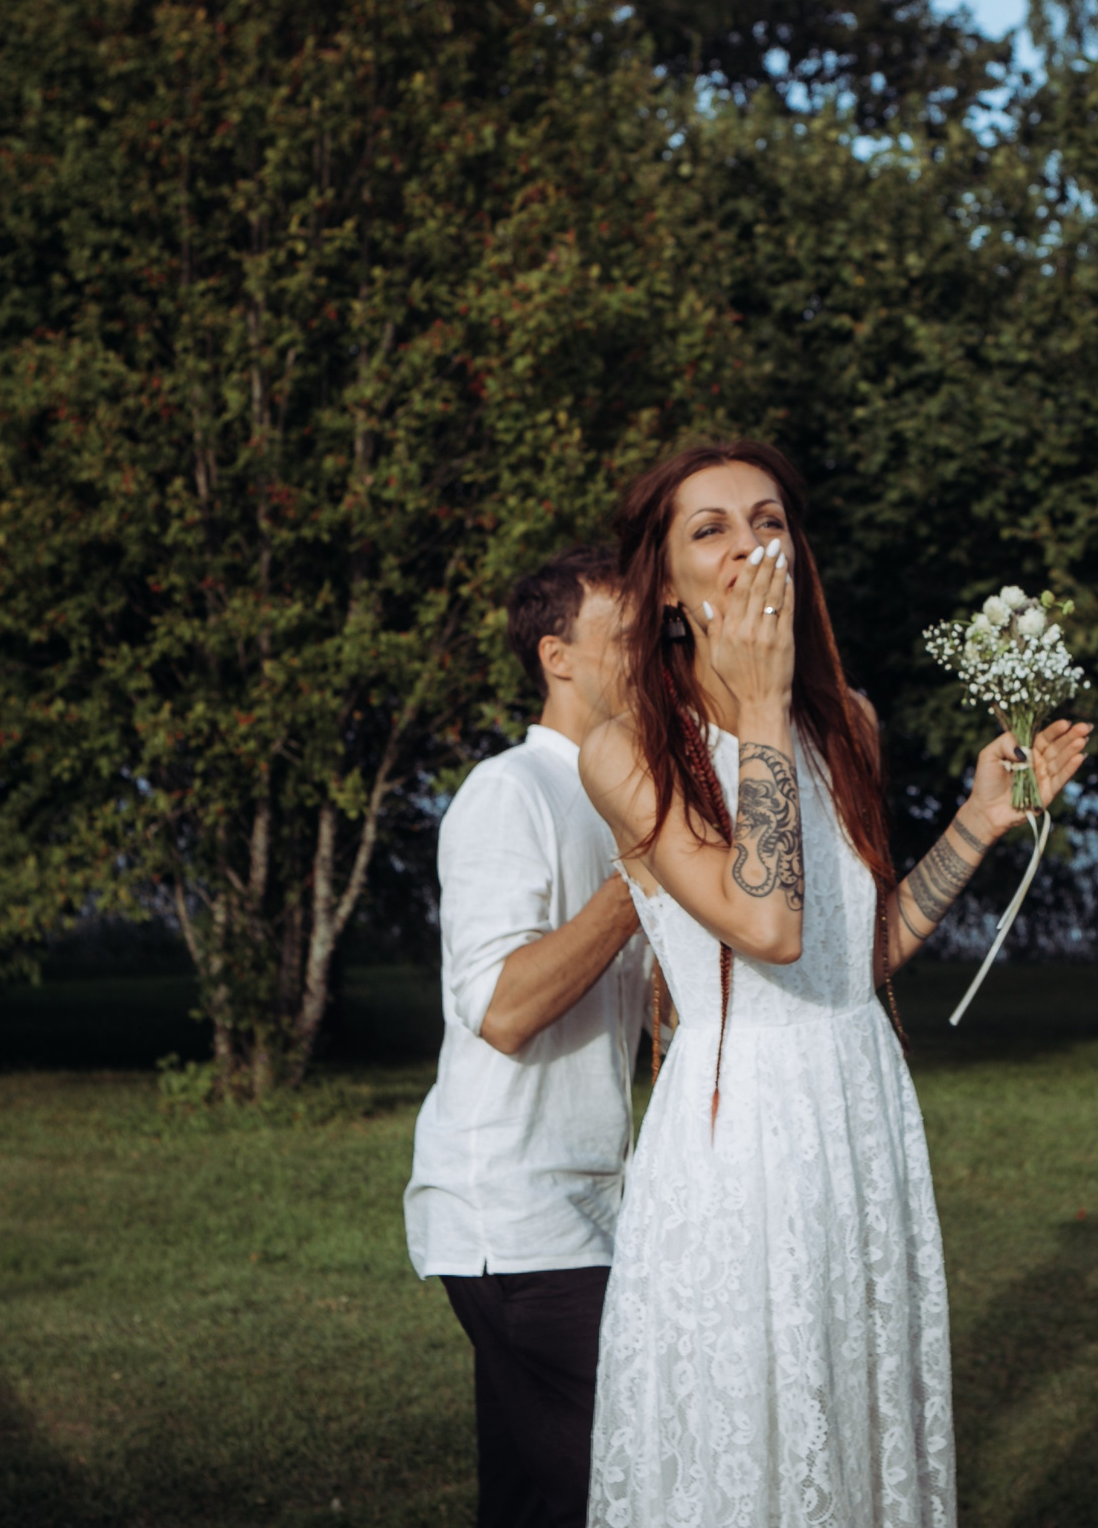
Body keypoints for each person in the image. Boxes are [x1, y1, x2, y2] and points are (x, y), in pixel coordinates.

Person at [578, 442, 1092, 1528]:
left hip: (859, 1115)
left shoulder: (846, 724)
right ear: (666, 586)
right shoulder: (625, 754)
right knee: (745, 1443)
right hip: (739, 1139)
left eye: (768, 519)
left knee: (855, 1434)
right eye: (708, 528)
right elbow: (764, 925)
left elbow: (855, 959)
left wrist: (977, 824)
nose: (749, 543)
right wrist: (758, 708)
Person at [406, 545, 652, 1528]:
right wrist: (641, 874)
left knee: (529, 1508)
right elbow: (503, 1010)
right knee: (627, 1489)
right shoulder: (508, 793)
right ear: (558, 656)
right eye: (627, 638)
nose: (650, 656)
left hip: (594, 1199)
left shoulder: (618, 794)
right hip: (514, 1214)